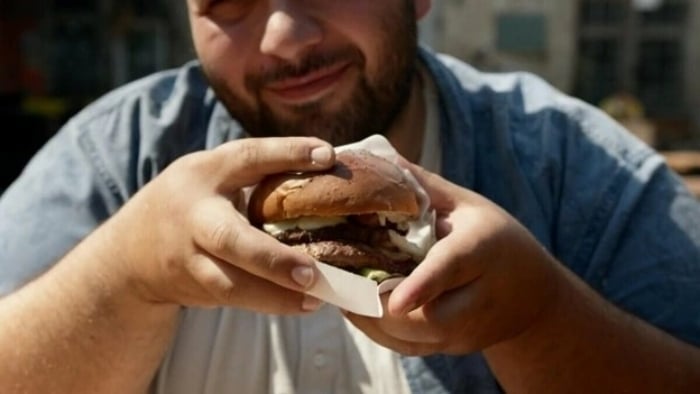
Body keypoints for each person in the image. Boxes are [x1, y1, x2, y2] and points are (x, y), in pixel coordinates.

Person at [1, 1, 699, 392]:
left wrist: (541, 319)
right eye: (228, 4)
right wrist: (121, 277)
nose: (283, 38)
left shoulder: (568, 167)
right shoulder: (118, 159)